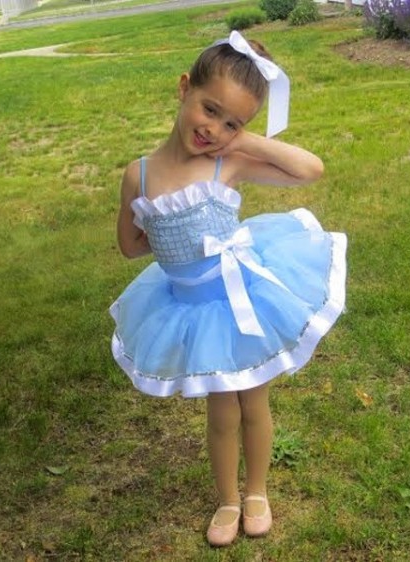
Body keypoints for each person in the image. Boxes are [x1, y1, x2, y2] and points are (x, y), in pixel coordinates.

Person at [110, 31, 347, 547]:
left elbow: (310, 170)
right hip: (193, 310)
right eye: (209, 110)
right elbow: (130, 246)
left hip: (243, 299)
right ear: (183, 89)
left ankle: (257, 489)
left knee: (253, 402)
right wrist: (175, 238)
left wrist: (243, 142)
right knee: (221, 410)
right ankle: (227, 498)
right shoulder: (140, 175)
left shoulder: (228, 160)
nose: (213, 128)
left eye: (231, 122)